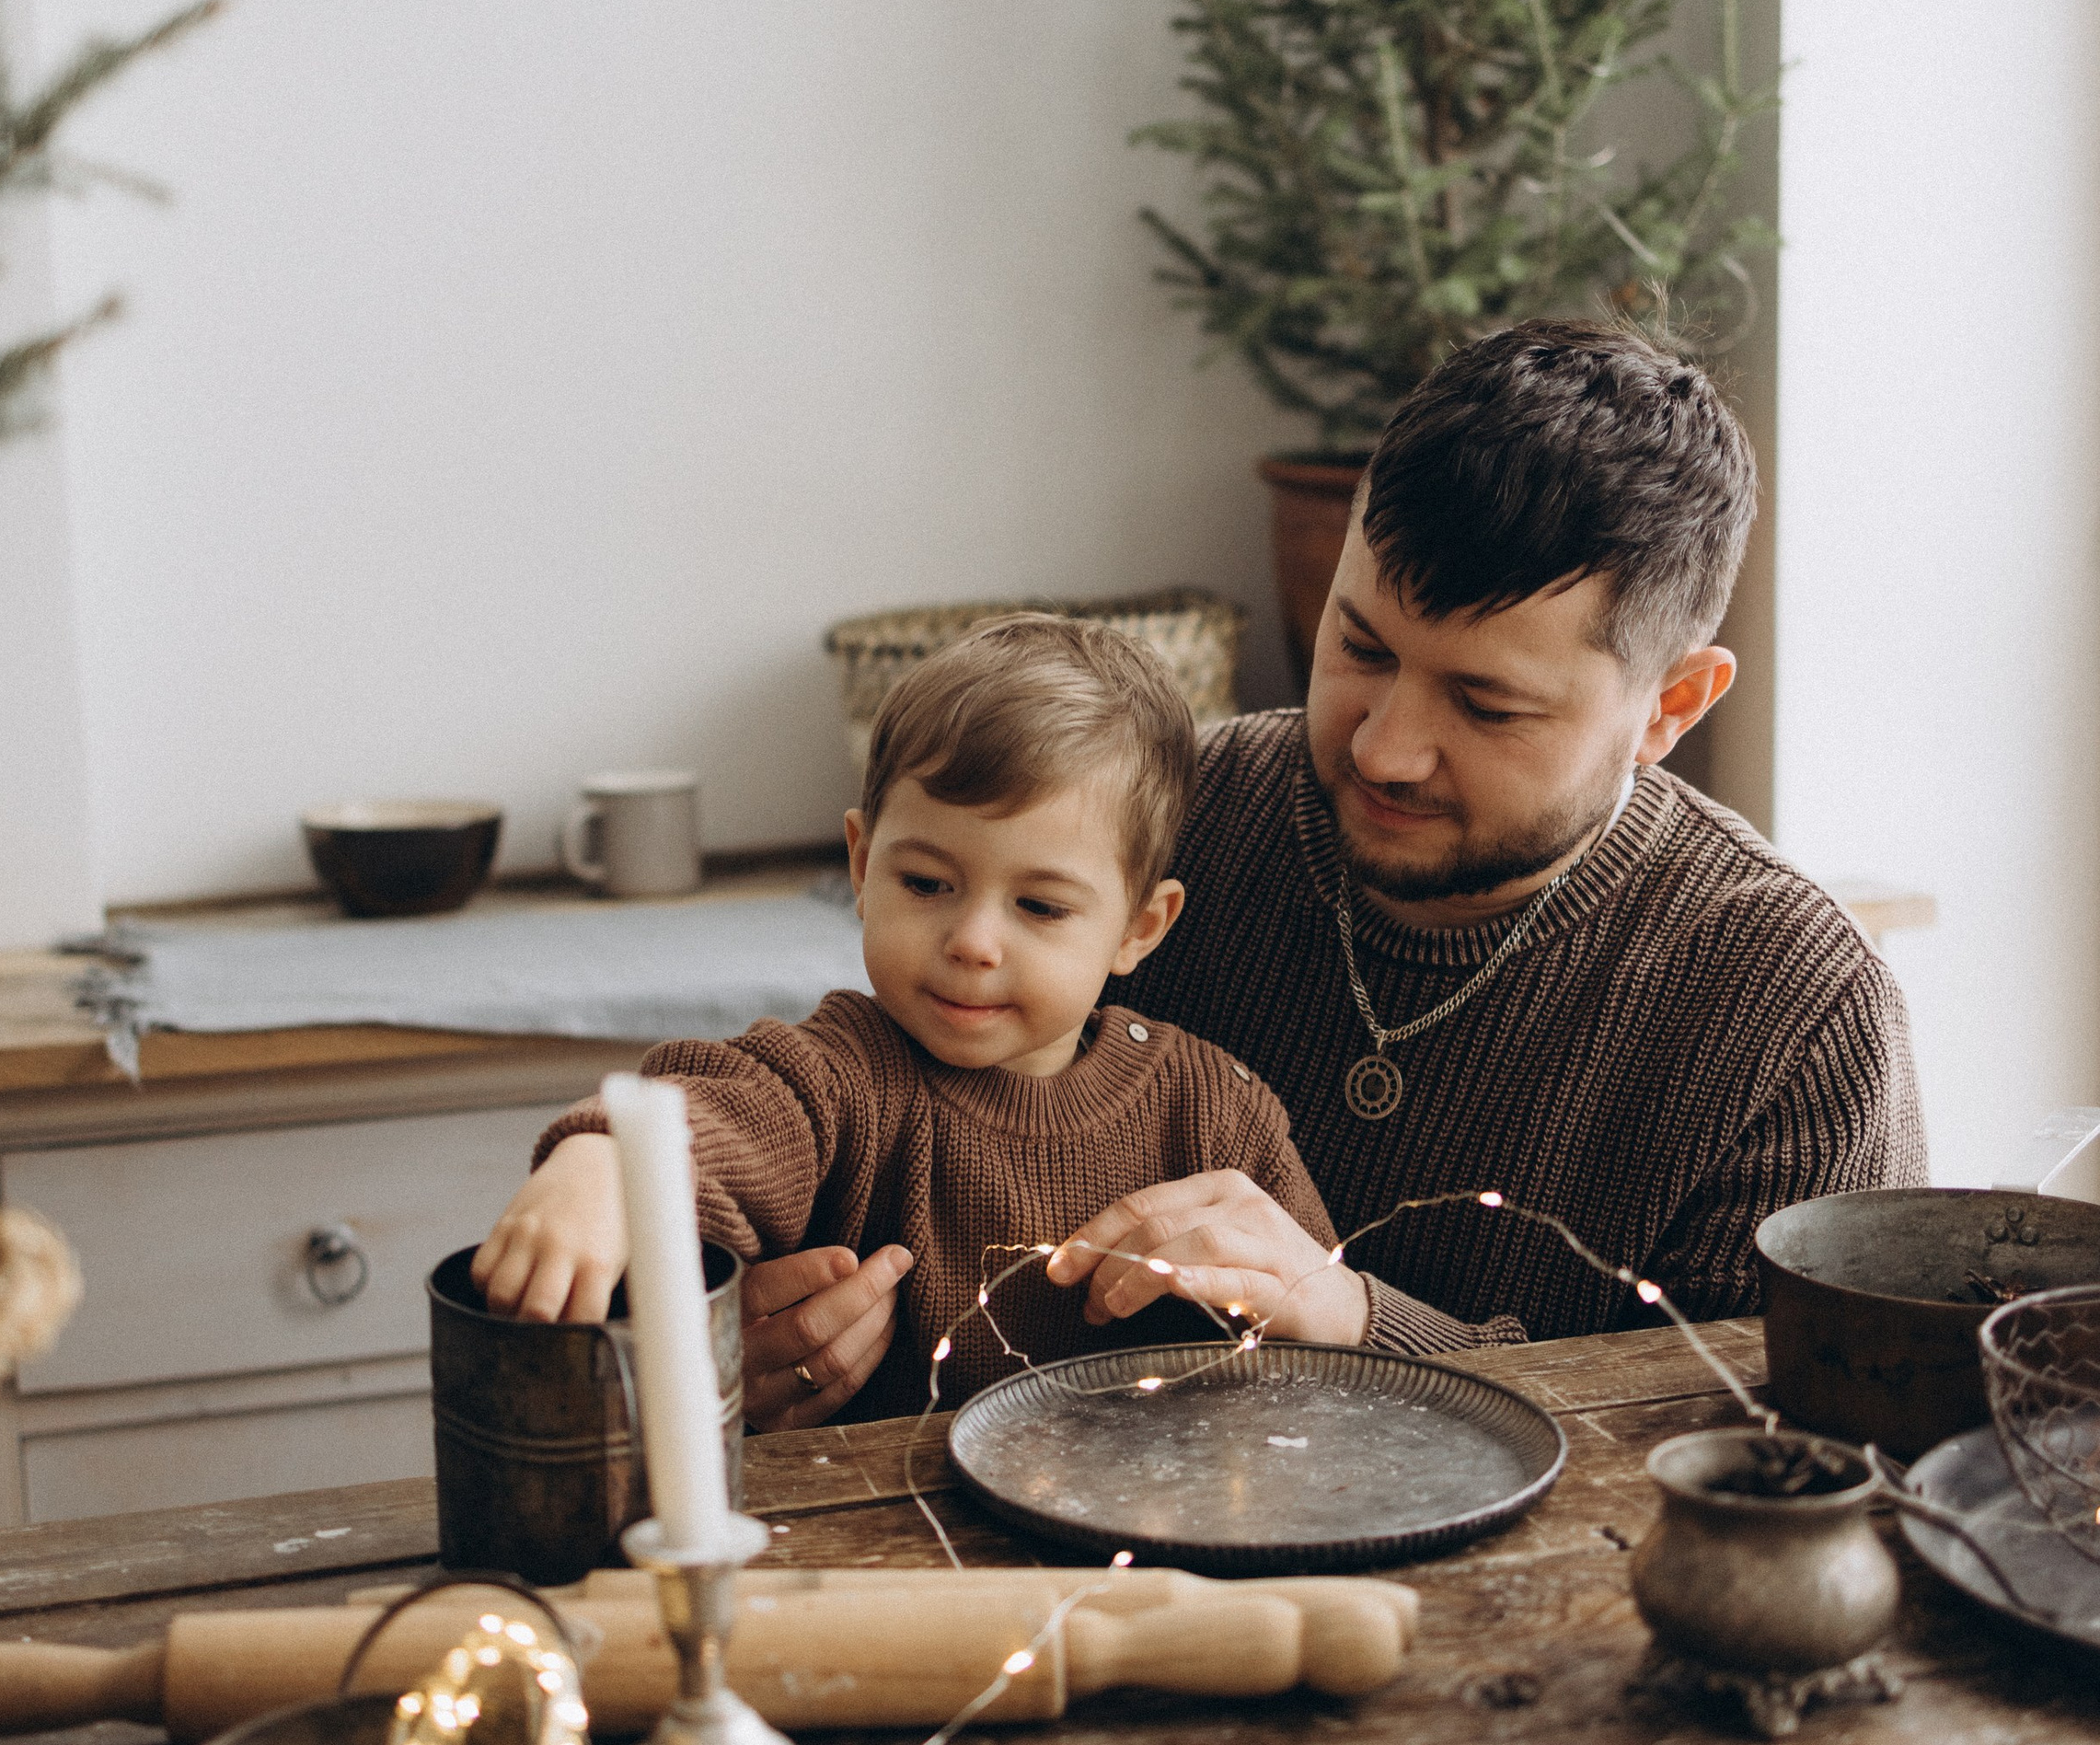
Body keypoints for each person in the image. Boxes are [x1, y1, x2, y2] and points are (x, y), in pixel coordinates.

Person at [744, 322, 1925, 1415]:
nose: (1381, 746)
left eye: (1487, 703)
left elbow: (1787, 1455)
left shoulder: (1797, 1012)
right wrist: (743, 1346)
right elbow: (858, 1115)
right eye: (1357, 645)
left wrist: (1359, 1321)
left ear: (1670, 706)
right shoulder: (1150, 822)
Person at [472, 618, 1338, 1418]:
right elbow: (730, 1109)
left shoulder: (1219, 1110)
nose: (972, 942)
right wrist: (611, 1160)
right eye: (925, 884)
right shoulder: (843, 1074)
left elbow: (1326, 1364)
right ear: (861, 863)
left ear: (1139, 927)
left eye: (1039, 906)